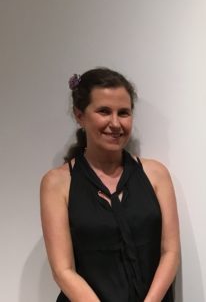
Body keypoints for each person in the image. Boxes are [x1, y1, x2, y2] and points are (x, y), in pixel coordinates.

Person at [40, 68, 180, 301]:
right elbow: (63, 270)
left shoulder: (157, 175)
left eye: (123, 113)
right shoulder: (56, 183)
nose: (115, 123)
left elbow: (171, 252)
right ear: (80, 115)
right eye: (104, 111)